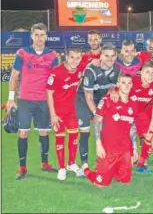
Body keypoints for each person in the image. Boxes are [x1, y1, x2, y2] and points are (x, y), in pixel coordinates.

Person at [7, 23, 59, 180]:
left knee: (44, 131)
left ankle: (45, 163)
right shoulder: (22, 53)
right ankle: (22, 167)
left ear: (46, 36)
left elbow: (56, 78)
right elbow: (14, 75)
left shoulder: (52, 55)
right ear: (31, 36)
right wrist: (10, 99)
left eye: (42, 35)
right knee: (23, 132)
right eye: (36, 35)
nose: (39, 38)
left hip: (44, 100)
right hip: (25, 99)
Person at [83, 73, 138, 187]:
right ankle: (86, 170)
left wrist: (134, 149)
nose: (127, 86)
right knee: (101, 183)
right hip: (109, 150)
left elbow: (132, 128)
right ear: (118, 84)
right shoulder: (107, 100)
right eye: (123, 83)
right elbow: (96, 122)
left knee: (125, 181)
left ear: (132, 85)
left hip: (125, 150)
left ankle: (113, 169)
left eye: (129, 83)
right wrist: (99, 144)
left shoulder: (133, 103)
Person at [76, 43, 120, 175]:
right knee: (85, 131)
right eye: (106, 55)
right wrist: (97, 115)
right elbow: (88, 96)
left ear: (116, 56)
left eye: (113, 56)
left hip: (100, 101)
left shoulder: (117, 69)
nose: (110, 59)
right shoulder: (91, 70)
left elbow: (112, 86)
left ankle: (101, 163)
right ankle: (84, 166)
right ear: (101, 55)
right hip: (83, 100)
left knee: (105, 131)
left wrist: (113, 91)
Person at [46, 47, 85, 180]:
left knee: (74, 138)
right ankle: (61, 167)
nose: (75, 60)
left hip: (71, 112)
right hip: (58, 113)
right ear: (66, 57)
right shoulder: (56, 72)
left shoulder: (80, 69)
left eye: (78, 57)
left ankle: (71, 163)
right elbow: (49, 94)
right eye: (72, 57)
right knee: (60, 139)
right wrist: (52, 115)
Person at [130, 61, 153, 174]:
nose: (150, 75)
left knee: (149, 135)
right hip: (128, 113)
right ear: (141, 72)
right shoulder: (132, 82)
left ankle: (142, 163)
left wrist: (151, 125)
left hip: (143, 114)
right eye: (147, 72)